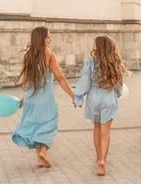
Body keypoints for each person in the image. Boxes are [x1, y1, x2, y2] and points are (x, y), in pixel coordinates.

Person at [12, 26, 75, 168]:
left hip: (31, 98)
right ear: (41, 38)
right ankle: (43, 153)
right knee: (49, 125)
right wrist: (72, 95)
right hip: (46, 98)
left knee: (35, 125)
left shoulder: (27, 55)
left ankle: (40, 159)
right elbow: (60, 77)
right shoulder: (49, 54)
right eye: (48, 37)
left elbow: (26, 80)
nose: (50, 39)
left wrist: (24, 98)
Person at [73, 36, 128, 176]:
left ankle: (98, 157)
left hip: (93, 97)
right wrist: (119, 93)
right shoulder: (115, 62)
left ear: (98, 46)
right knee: (105, 132)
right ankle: (103, 160)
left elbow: (84, 81)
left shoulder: (90, 62)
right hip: (108, 96)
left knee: (96, 128)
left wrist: (78, 96)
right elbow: (119, 83)